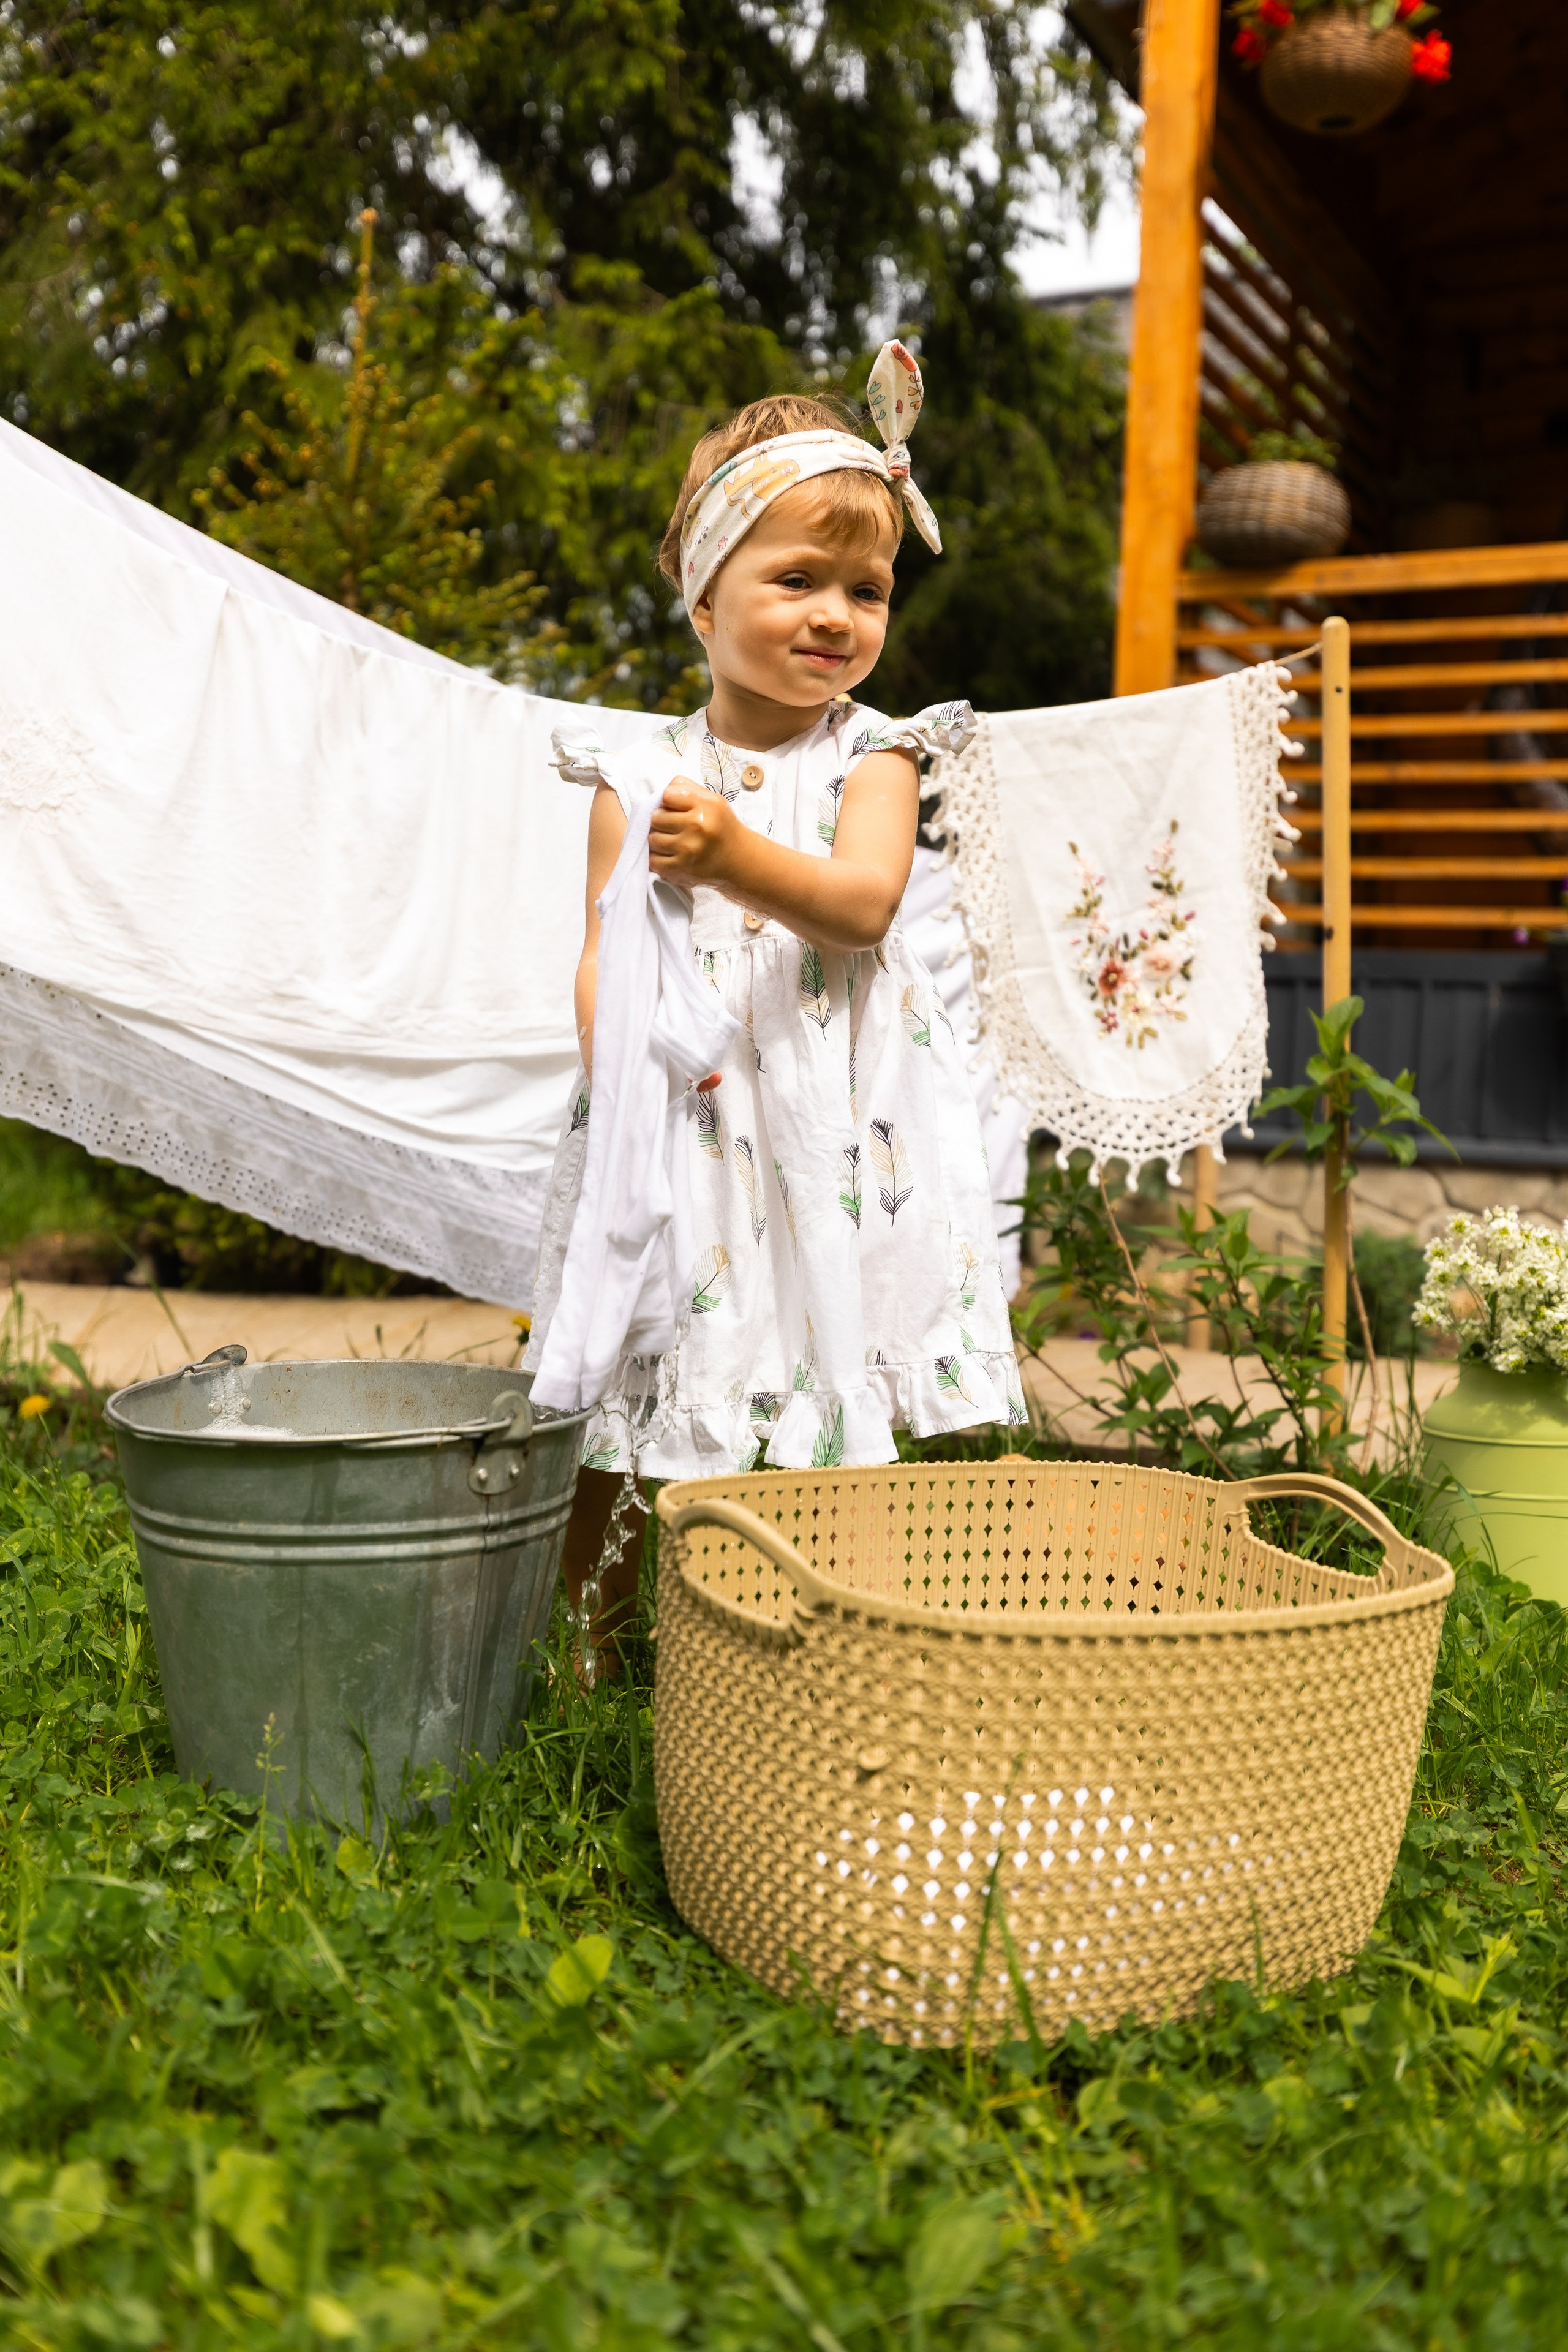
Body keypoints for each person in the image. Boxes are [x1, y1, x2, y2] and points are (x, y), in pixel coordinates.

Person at [522, 344, 1027, 1655]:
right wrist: (614, 1057)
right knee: (654, 1366)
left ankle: (806, 1642)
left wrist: (736, 856)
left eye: (864, 589)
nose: (834, 616)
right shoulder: (633, 775)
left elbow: (859, 905)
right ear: (703, 596)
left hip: (827, 1118)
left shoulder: (878, 756)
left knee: (817, 1344)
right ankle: (590, 1637)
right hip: (685, 1114)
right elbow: (601, 942)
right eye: (794, 578)